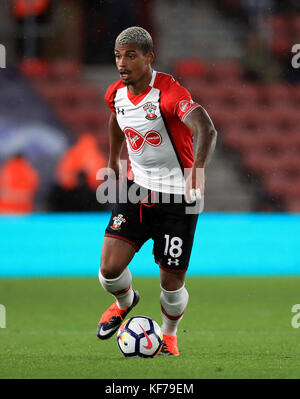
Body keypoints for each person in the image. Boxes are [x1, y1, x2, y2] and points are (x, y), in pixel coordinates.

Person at [96, 27, 217, 355]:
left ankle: (169, 335)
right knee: (108, 270)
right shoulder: (115, 94)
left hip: (178, 199)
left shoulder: (169, 93)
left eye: (131, 56)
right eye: (118, 56)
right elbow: (116, 119)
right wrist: (113, 160)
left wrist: (198, 172)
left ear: (149, 57)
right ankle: (125, 300)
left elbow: (206, 128)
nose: (122, 63)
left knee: (171, 283)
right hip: (137, 190)